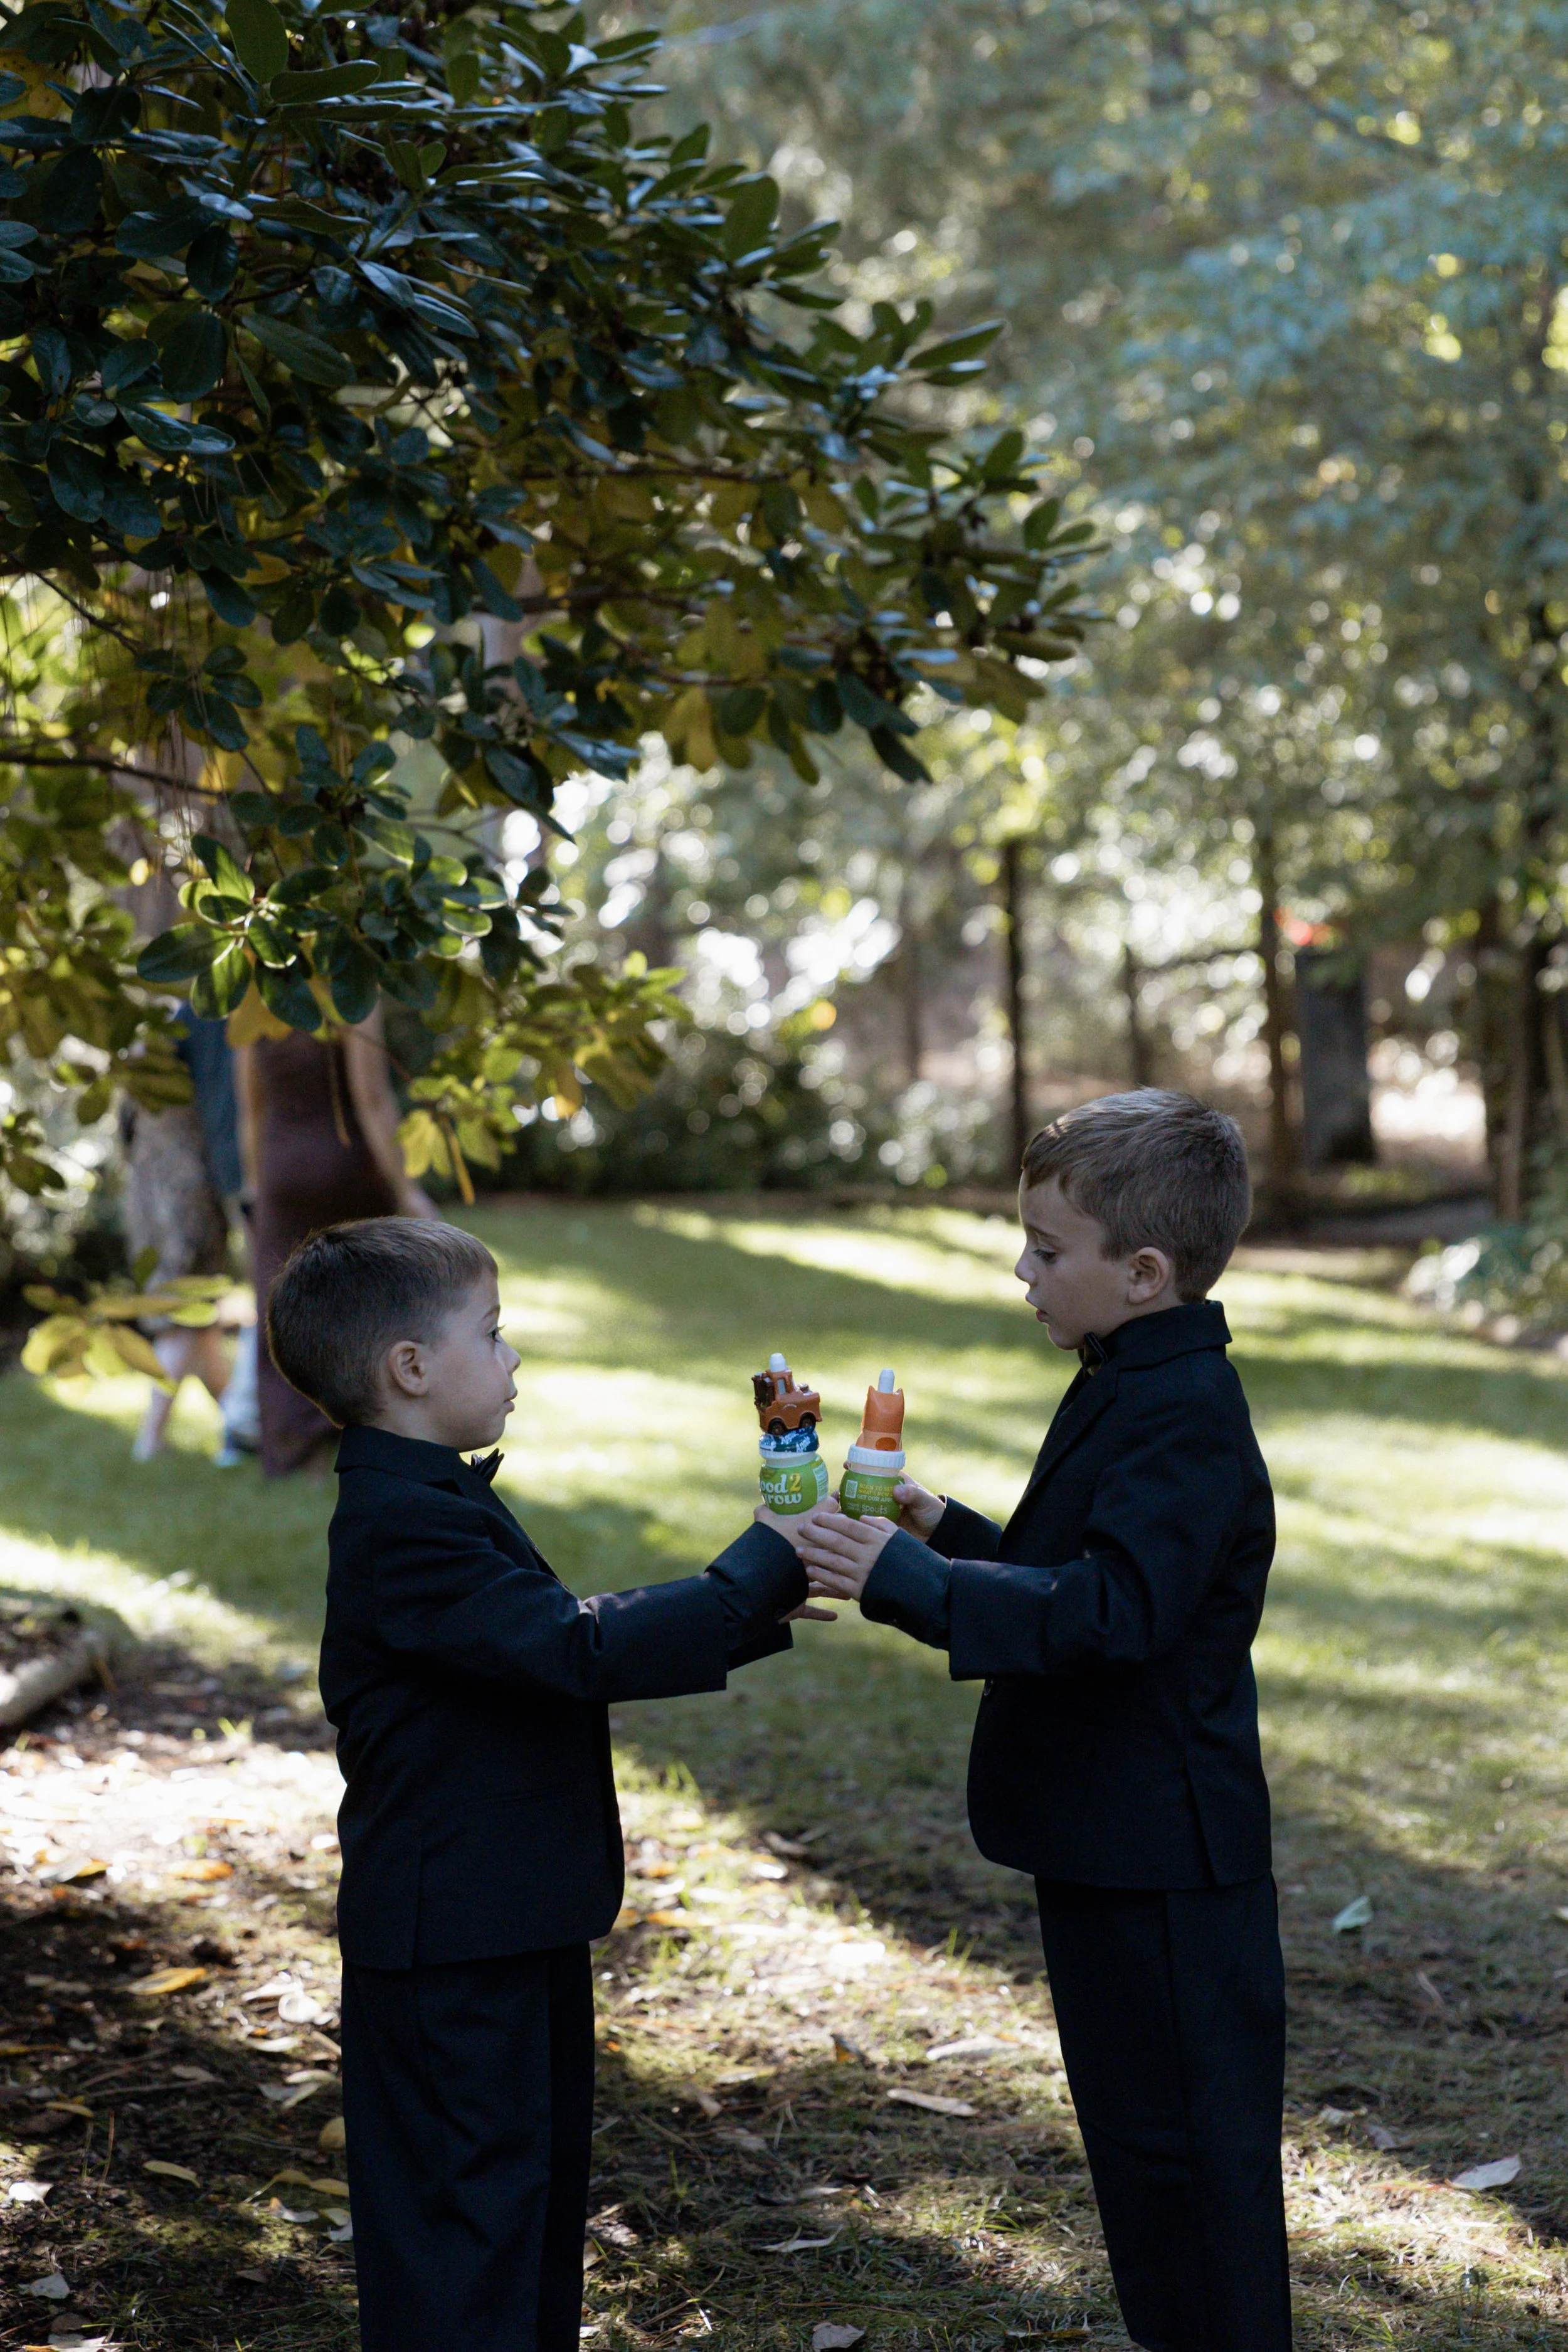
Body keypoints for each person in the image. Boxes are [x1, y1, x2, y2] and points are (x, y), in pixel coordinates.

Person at [264, 1216, 825, 2352]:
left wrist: (748, 1600)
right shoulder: (399, 1523)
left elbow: (541, 1647)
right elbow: (570, 1648)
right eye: (495, 1333)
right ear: (410, 1369)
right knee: (464, 2222)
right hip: (449, 1946)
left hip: (508, 1917)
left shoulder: (431, 1493)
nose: (513, 1358)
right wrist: (758, 1561)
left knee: (525, 2197)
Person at [798, 1089, 1288, 2352]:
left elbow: (1113, 1613)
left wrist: (905, 1587)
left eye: (1043, 1249)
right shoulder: (1129, 1374)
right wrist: (934, 1527)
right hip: (1100, 1837)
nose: (1020, 1270)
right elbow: (1061, 1563)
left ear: (1140, 1272)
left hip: (1166, 1857)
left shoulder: (1182, 1413)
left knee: (1192, 2162)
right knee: (1136, 2148)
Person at [237, 1006, 437, 1476]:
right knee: (368, 1303)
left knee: (281, 1305)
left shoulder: (253, 1000)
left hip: (282, 1170)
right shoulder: (352, 995)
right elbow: (371, 1098)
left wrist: (253, 1187)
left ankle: (297, 1454)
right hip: (346, 1166)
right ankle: (375, 1440)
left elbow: (251, 1112)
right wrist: (407, 1190)